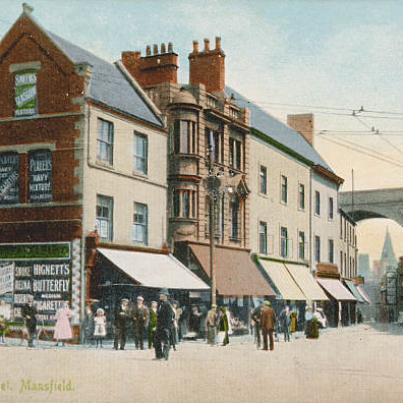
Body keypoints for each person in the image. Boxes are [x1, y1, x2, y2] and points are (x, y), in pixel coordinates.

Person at [154, 289, 174, 360]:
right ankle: (159, 355)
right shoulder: (161, 304)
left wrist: (167, 327)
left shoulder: (167, 305)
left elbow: (169, 317)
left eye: (161, 294)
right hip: (159, 326)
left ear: (165, 296)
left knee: (166, 341)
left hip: (165, 326)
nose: (160, 295)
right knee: (157, 341)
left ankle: (165, 356)